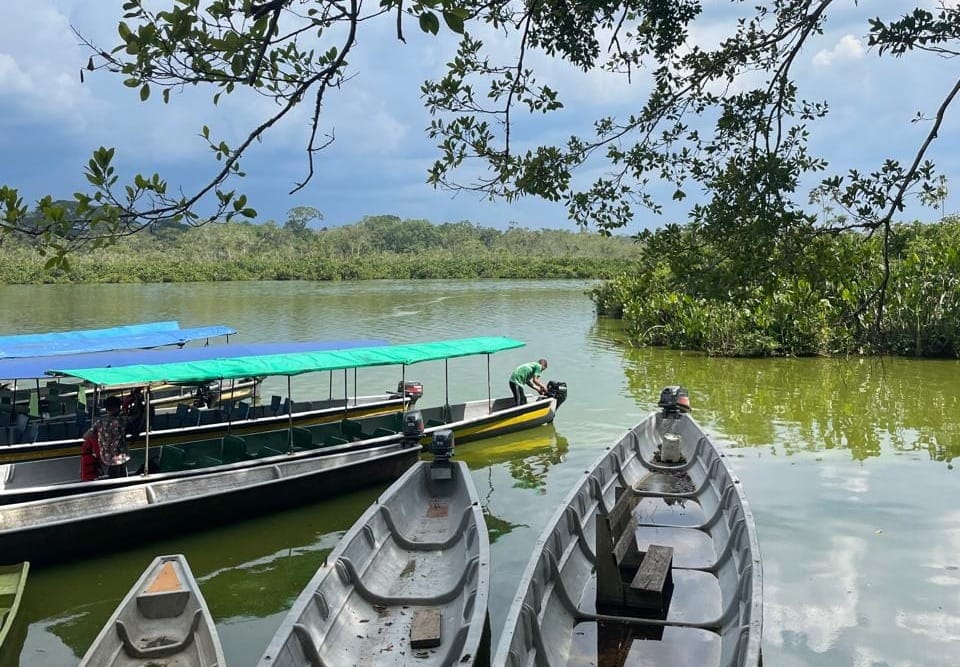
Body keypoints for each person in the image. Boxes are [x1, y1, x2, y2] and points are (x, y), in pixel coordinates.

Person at [96, 395, 130, 478]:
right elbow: (136, 418)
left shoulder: (99, 422)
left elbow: (86, 435)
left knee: (112, 476)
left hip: (106, 457)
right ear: (117, 408)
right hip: (120, 456)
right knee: (121, 477)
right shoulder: (121, 420)